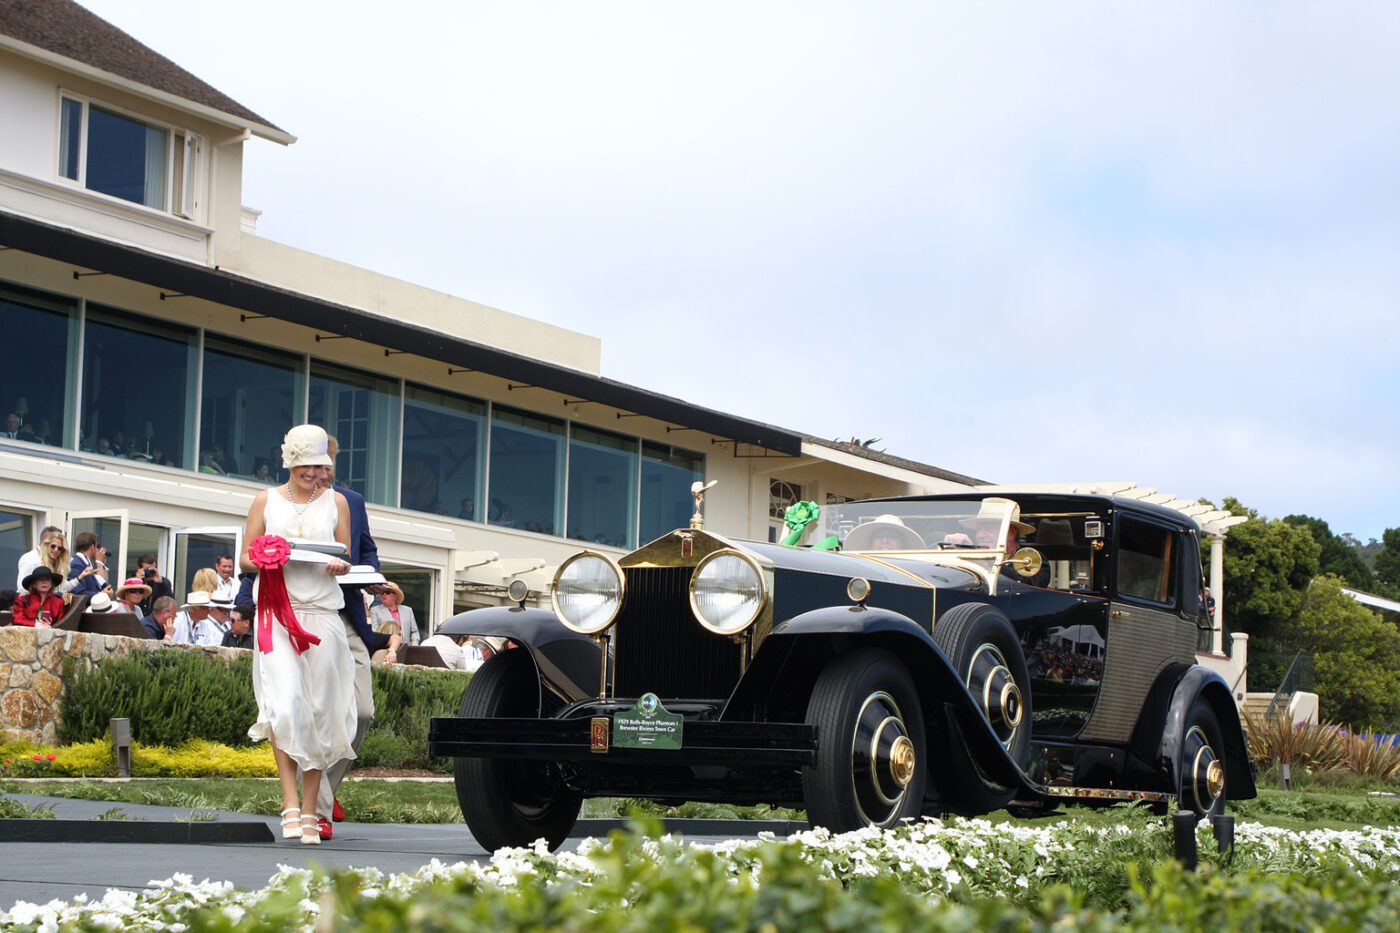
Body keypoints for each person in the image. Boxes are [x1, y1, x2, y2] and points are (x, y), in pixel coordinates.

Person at [242, 423, 356, 846]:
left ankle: (311, 811)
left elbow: (344, 553)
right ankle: (289, 803)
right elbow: (245, 556)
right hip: (276, 612)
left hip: (322, 615)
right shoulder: (265, 500)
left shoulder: (337, 503)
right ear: (290, 461)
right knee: (286, 706)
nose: (312, 473)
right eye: (305, 465)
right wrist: (271, 556)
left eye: (319, 465)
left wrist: (340, 566)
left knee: (322, 711)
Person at [306, 433, 390, 840]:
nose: (322, 473)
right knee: (319, 714)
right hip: (307, 619)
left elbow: (367, 549)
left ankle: (327, 788)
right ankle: (318, 809)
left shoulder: (352, 502)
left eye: (327, 465)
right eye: (315, 465)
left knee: (363, 712)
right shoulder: (288, 505)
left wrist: (372, 574)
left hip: (350, 614)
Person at [369, 582, 418, 663]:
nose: (384, 595)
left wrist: (414, 647)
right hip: (386, 650)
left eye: (387, 592)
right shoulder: (375, 610)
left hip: (406, 650)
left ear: (396, 596)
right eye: (382, 593)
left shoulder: (407, 610)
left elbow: (414, 631)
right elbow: (374, 630)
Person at [843, 514, 926, 551]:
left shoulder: (913, 572)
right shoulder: (859, 569)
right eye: (878, 536)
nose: (885, 540)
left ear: (902, 544)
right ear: (870, 543)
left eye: (892, 536)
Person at [67, 532, 110, 599]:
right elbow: (79, 593)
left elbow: (103, 584)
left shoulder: (85, 563)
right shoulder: (76, 565)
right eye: (97, 546)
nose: (97, 549)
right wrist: (100, 594)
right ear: (92, 546)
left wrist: (101, 563)